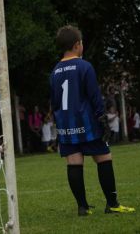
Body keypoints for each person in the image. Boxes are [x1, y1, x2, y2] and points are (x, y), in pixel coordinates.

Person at [50, 25, 135, 216]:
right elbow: (94, 96)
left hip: (66, 124)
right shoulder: (84, 66)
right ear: (77, 45)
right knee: (104, 158)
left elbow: (54, 101)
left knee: (73, 161)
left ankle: (82, 207)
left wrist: (59, 122)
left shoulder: (55, 71)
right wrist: (102, 118)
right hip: (87, 123)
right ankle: (112, 204)